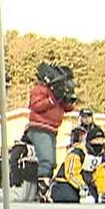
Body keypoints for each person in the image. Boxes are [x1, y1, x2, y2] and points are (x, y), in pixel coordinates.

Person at [27, 63, 76, 200]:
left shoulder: (57, 91)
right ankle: (41, 190)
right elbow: (36, 106)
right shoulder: (40, 89)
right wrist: (52, 98)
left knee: (52, 162)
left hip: (52, 129)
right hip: (40, 127)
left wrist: (66, 98)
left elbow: (67, 108)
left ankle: (44, 188)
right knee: (46, 160)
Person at [49, 126, 105, 203]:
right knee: (70, 198)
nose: (99, 143)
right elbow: (71, 173)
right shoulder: (77, 153)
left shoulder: (101, 157)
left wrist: (101, 192)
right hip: (65, 182)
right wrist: (82, 186)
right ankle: (51, 194)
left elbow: (100, 175)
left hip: (85, 183)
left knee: (93, 199)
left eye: (101, 140)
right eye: (97, 140)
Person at [0, 130, 38, 203]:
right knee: (20, 197)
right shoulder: (21, 147)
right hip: (23, 177)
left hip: (31, 177)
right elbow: (14, 162)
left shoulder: (36, 147)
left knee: (28, 198)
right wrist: (17, 181)